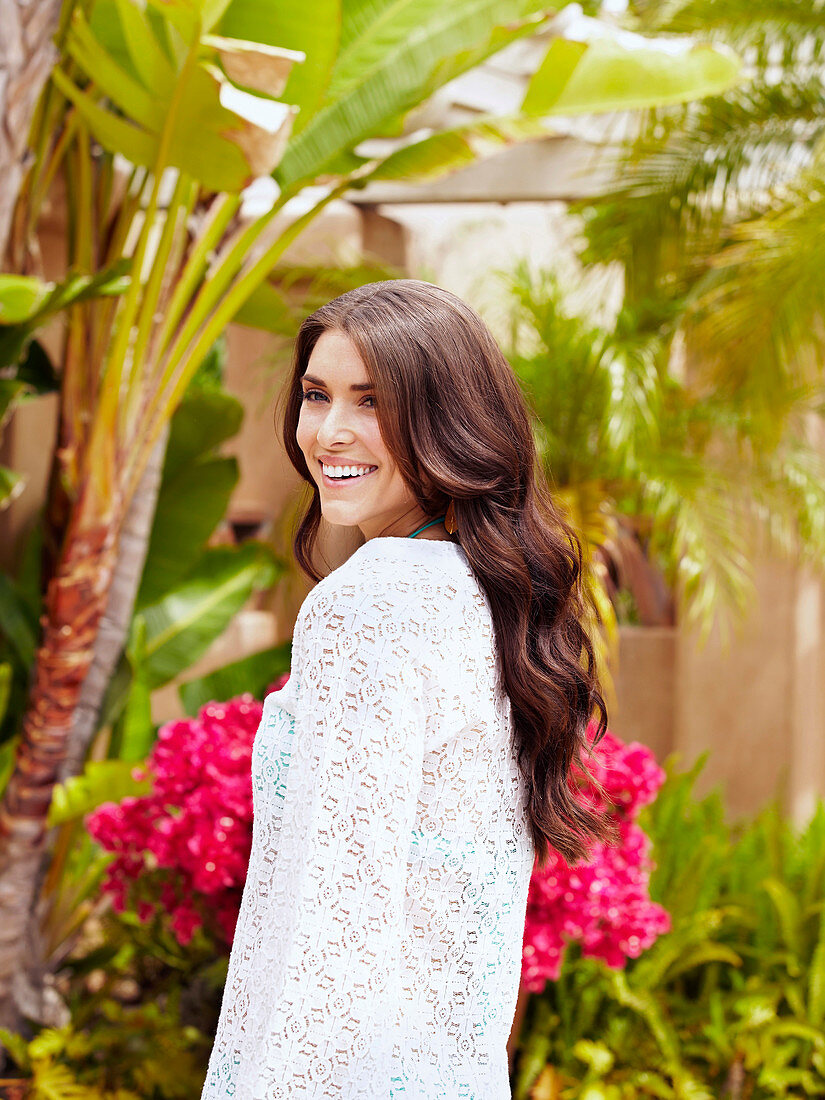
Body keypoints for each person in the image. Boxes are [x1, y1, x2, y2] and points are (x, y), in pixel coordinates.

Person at [200, 280, 615, 1098]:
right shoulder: (480, 596)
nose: (331, 431)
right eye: (316, 395)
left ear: (448, 421)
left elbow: (336, 922)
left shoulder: (372, 604)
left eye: (373, 401)